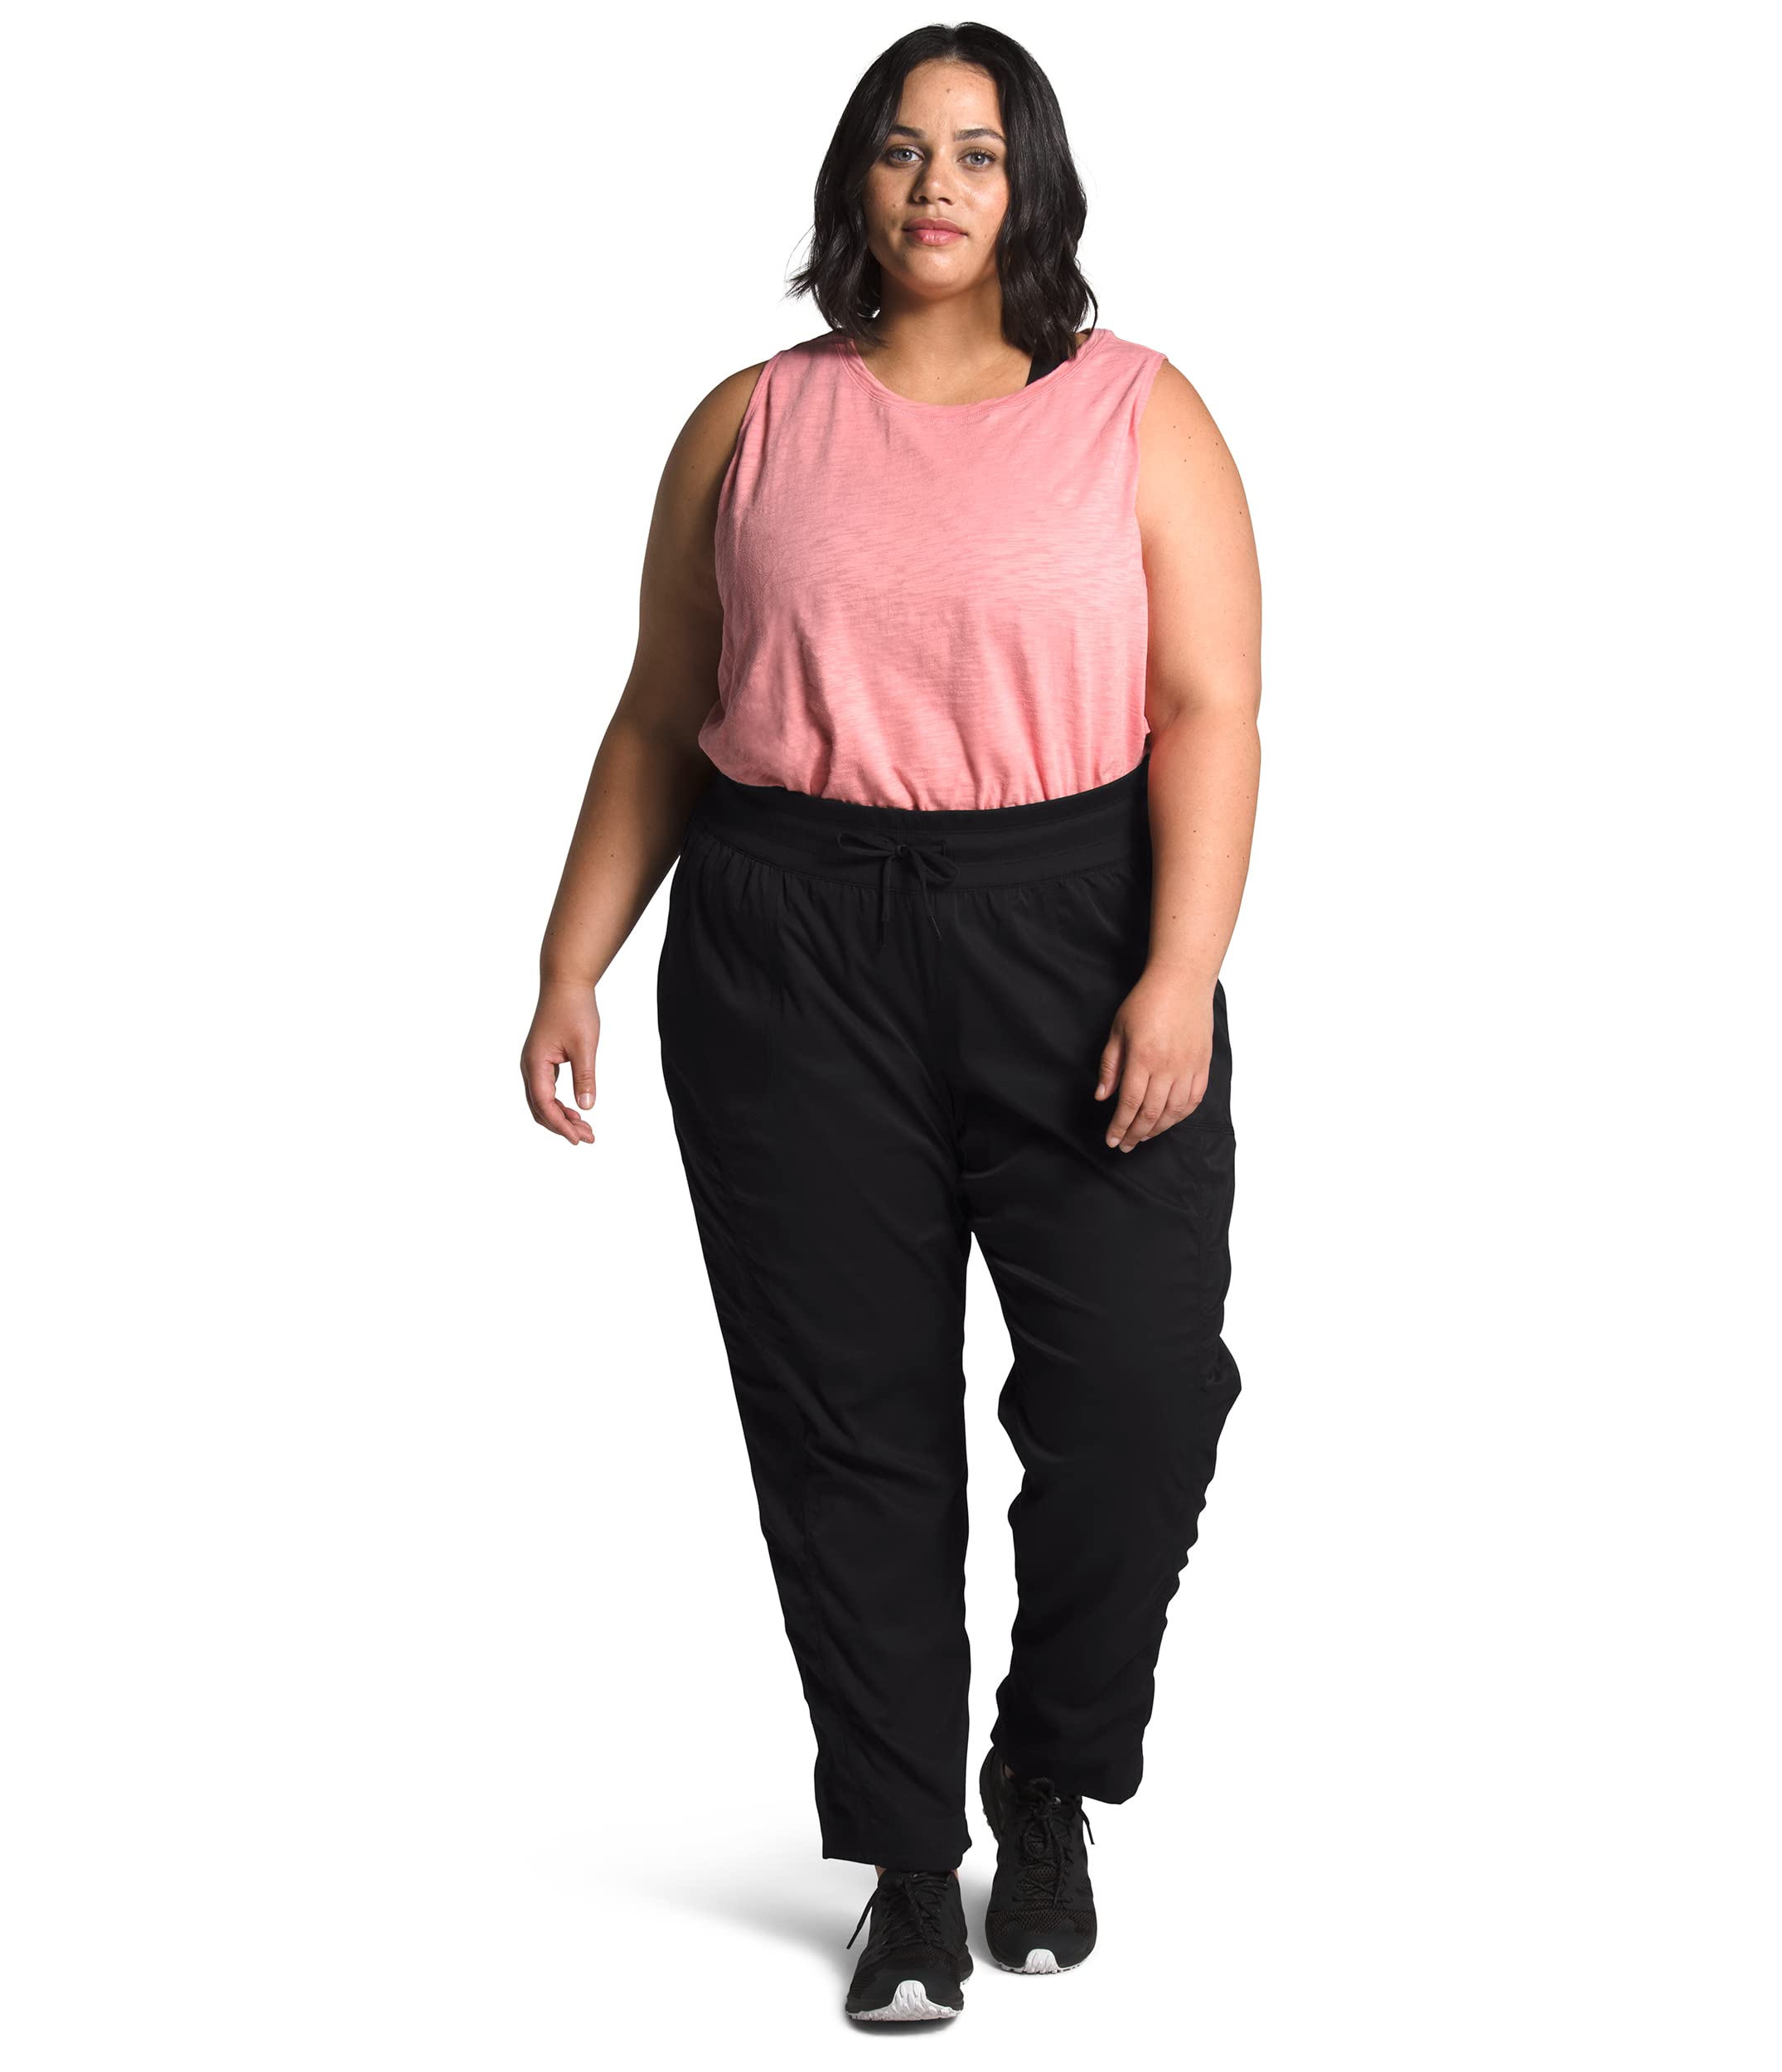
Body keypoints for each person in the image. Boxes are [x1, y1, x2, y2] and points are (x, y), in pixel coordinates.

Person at [521, 23, 1261, 2026]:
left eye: (979, 152)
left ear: (1032, 187)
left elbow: (1210, 707)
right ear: (855, 179)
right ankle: (912, 1863)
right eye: (903, 149)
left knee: (1139, 1390)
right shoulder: (750, 421)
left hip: (1073, 928)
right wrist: (574, 956)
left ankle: (1048, 1771)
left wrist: (1176, 967)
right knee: (846, 1422)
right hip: (785, 945)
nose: (938, 185)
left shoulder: (1138, 413)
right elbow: (662, 708)